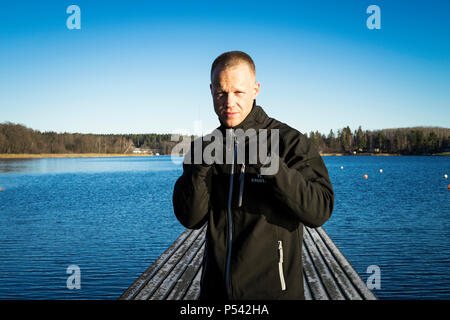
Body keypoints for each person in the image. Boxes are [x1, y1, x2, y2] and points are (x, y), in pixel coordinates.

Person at [172, 51, 334, 300]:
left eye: (238, 92)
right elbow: (190, 219)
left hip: (274, 293)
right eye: (220, 92)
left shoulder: (289, 141)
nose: (228, 102)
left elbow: (319, 210)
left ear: (256, 89)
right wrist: (199, 168)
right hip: (215, 295)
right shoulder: (204, 147)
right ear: (211, 90)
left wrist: (272, 167)